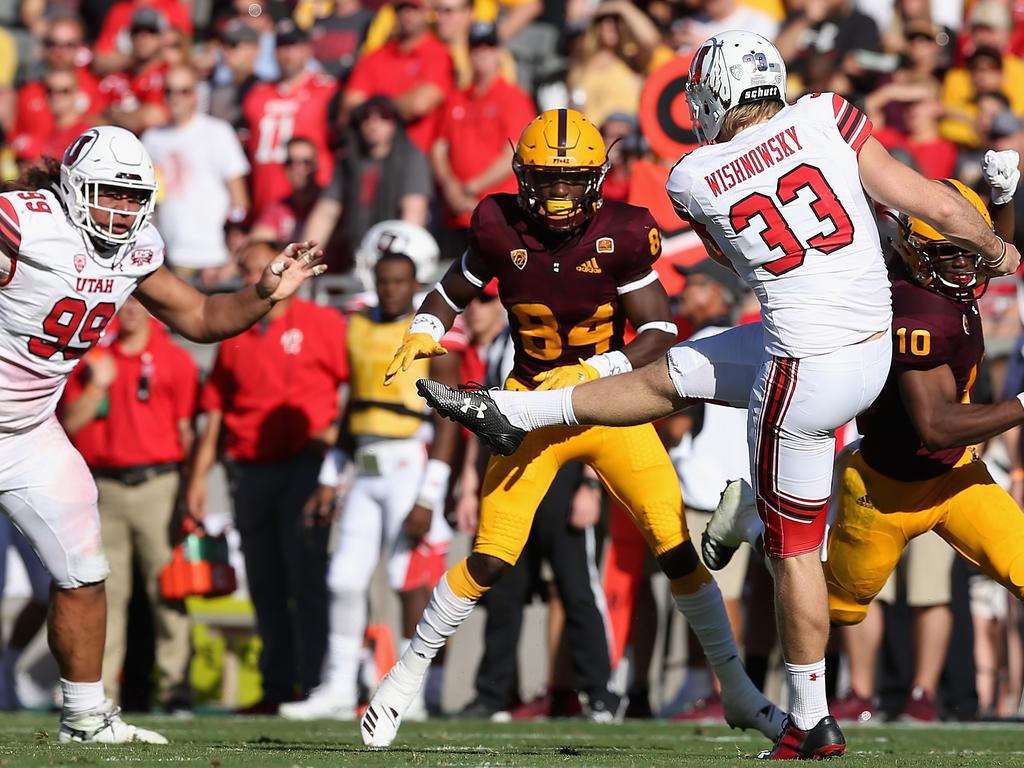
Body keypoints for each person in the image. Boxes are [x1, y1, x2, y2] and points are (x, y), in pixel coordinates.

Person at [414, 32, 1020, 758]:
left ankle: (808, 718)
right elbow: (932, 204)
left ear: (717, 95)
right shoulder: (828, 113)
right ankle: (520, 410)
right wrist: (998, 249)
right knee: (676, 374)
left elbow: (736, 261)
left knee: (791, 554)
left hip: (801, 368)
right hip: (868, 344)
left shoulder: (693, 175)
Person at [360, 107, 785, 748]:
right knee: (489, 558)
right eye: (547, 181)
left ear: (595, 180)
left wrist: (594, 370)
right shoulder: (497, 222)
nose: (559, 195)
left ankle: (737, 690)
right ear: (523, 178)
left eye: (571, 181)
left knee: (673, 546)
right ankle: (404, 675)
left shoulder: (623, 228)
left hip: (608, 404)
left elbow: (660, 332)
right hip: (528, 406)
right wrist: (424, 326)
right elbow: (456, 286)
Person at [0, 124, 324, 743]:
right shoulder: (24, 224)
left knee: (84, 572)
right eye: (108, 193)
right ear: (72, 185)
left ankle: (86, 718)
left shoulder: (135, 249)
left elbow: (200, 316)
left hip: (27, 433)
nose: (121, 209)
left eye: (132, 196)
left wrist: (262, 295)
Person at [187, 239, 347, 715]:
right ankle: (277, 685)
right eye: (247, 269)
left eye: (261, 266)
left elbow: (353, 389)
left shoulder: (322, 325)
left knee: (307, 576)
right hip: (251, 470)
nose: (254, 276)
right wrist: (199, 479)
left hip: (305, 466)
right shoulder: (235, 329)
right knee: (264, 581)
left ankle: (317, 684)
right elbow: (216, 409)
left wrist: (336, 453)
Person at [59, 296, 198, 713]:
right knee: (106, 595)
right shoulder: (94, 360)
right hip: (105, 486)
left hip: (159, 482)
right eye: (127, 302)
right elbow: (69, 424)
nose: (134, 309)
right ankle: (102, 695)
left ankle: (176, 691)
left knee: (167, 591)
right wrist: (99, 383)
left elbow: (186, 431)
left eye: (142, 302)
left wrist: (190, 489)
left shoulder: (174, 360)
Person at [431, 22, 535, 261]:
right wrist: (450, 187)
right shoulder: (456, 98)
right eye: (476, 46)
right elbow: (438, 148)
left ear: (499, 51)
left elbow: (513, 153)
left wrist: (469, 188)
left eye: (488, 46)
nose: (481, 52)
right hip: (456, 212)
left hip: (499, 214)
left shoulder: (514, 98)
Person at [142, 64, 250, 277]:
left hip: (214, 257)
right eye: (169, 91)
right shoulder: (152, 139)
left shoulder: (217, 133)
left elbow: (239, 199)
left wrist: (232, 254)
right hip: (170, 255)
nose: (176, 97)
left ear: (196, 95)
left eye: (184, 91)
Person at [242, 19, 338, 217]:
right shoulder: (256, 96)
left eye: (294, 46)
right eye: (282, 47)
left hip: (311, 205)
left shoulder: (327, 91)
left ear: (307, 49)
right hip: (265, 203)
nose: (287, 54)